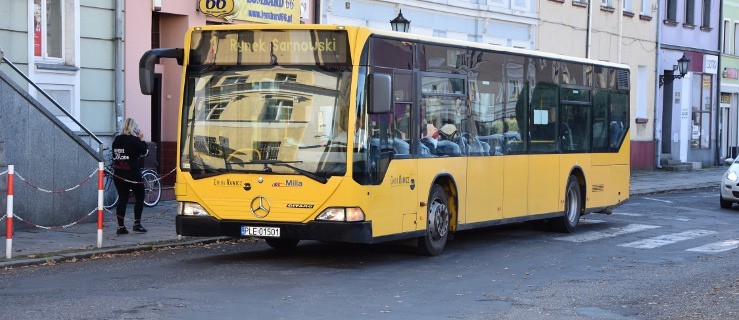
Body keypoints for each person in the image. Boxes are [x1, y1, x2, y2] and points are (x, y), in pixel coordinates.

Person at [111, 118, 150, 235]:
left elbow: (114, 155)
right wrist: (141, 139)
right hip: (132, 174)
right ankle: (137, 224)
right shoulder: (134, 140)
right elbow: (145, 152)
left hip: (118, 173)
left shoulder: (117, 140)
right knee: (140, 196)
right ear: (134, 128)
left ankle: (120, 226)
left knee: (122, 199)